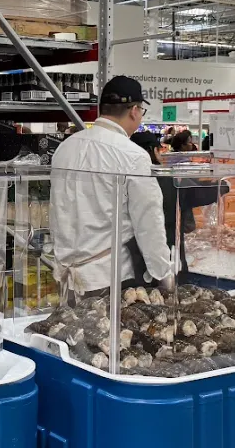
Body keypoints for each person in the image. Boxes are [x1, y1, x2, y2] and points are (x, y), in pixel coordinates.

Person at [49, 76, 173, 295]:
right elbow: (148, 219)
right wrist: (162, 272)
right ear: (135, 111)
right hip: (111, 279)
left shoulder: (65, 148)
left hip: (67, 277)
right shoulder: (132, 155)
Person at [130, 132, 220, 276]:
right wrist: (222, 186)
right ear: (153, 151)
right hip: (168, 250)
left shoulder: (126, 179)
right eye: (159, 150)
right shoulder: (167, 180)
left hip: (134, 257)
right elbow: (194, 194)